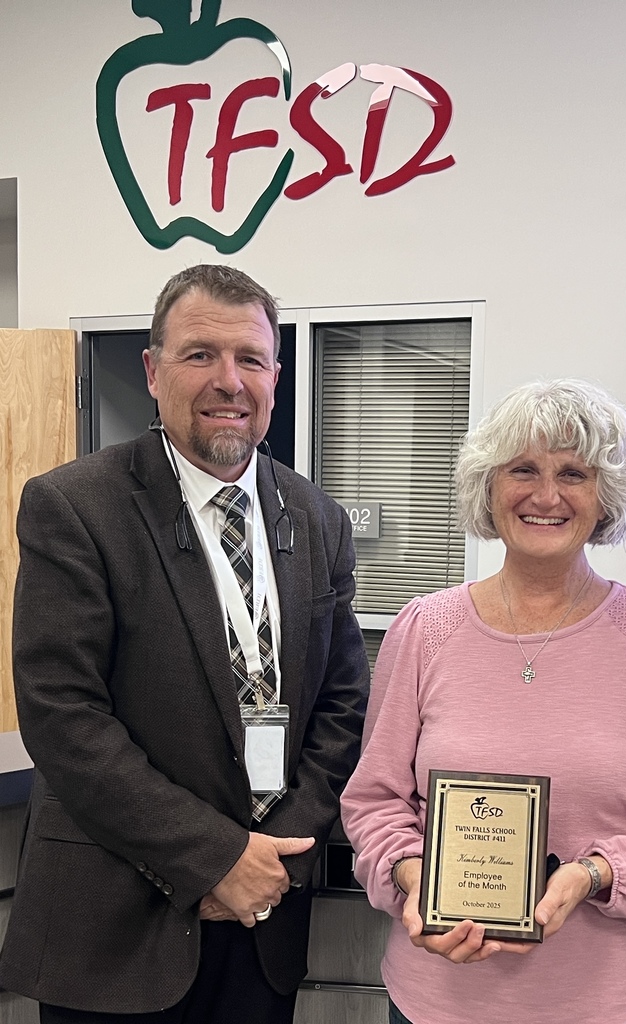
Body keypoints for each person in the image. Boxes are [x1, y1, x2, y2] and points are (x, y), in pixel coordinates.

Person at [0, 264, 370, 1023]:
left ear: (276, 374)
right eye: (201, 354)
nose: (229, 381)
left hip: (265, 916)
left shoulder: (318, 517)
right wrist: (214, 860)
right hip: (119, 925)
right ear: (152, 370)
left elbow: (341, 704)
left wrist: (278, 856)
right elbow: (64, 719)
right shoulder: (74, 507)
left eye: (251, 359)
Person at [341, 378, 626, 1024]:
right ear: (489, 488)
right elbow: (375, 802)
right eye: (523, 470)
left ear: (605, 497)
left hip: (606, 1005)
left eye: (573, 473)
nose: (546, 496)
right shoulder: (423, 629)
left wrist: (593, 874)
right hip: (437, 1000)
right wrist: (413, 879)